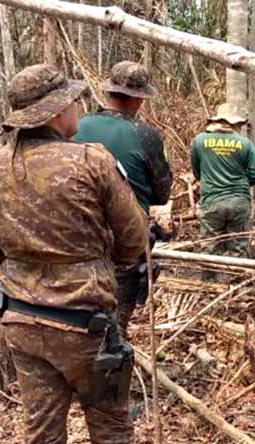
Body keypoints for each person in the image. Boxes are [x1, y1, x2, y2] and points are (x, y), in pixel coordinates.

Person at [0, 64, 168, 444]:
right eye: (73, 102)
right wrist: (97, 259)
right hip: (86, 324)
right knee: (109, 422)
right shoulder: (91, 162)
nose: (78, 107)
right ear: (58, 111)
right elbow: (133, 238)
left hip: (21, 318)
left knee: (40, 432)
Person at [74, 60, 172, 334]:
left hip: (73, 237)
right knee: (114, 328)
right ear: (139, 99)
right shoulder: (145, 136)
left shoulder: (74, 128)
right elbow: (162, 194)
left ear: (108, 92)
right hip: (124, 242)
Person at [190, 103, 255, 270]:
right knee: (239, 246)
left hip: (211, 201)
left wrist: (210, 181)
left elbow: (197, 171)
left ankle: (209, 286)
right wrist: (242, 185)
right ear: (235, 124)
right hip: (239, 202)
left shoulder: (199, 141)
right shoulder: (244, 144)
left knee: (210, 247)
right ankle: (238, 285)